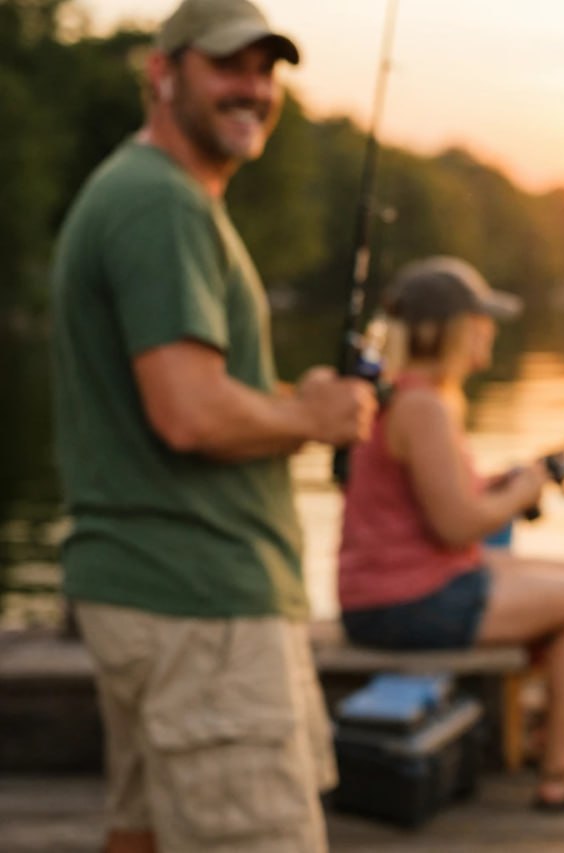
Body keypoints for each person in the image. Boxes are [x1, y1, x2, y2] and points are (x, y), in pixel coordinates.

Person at [49, 1, 377, 850]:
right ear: (163, 73)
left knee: (144, 832)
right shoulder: (160, 202)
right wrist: (309, 414)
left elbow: (197, 390)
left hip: (155, 598)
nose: (253, 89)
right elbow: (189, 413)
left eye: (266, 71)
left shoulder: (153, 193)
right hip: (199, 610)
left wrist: (283, 397)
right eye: (228, 66)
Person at [337, 255, 564, 809]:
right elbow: (456, 526)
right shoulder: (423, 406)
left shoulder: (413, 395)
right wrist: (522, 492)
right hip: (404, 602)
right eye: (482, 319)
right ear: (454, 328)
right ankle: (562, 770)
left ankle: (557, 723)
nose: (490, 330)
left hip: (395, 587)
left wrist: (511, 479)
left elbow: (448, 497)